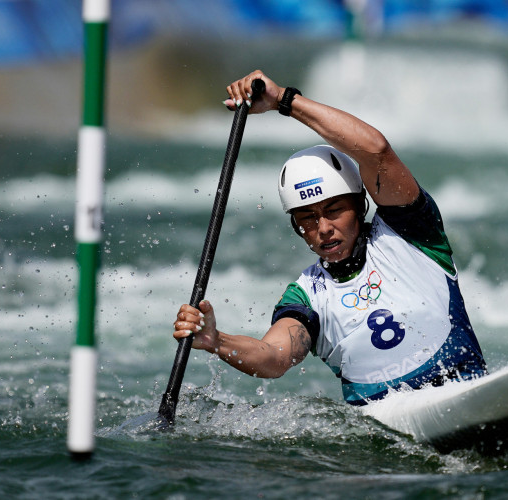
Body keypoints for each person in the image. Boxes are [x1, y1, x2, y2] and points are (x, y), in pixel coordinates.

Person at [173, 70, 487, 405]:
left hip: (464, 389)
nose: (323, 227)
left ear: (359, 205)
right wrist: (217, 340)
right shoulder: (307, 295)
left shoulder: (410, 232)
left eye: (334, 209)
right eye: (307, 218)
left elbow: (376, 150)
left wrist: (284, 100)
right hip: (387, 431)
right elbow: (275, 356)